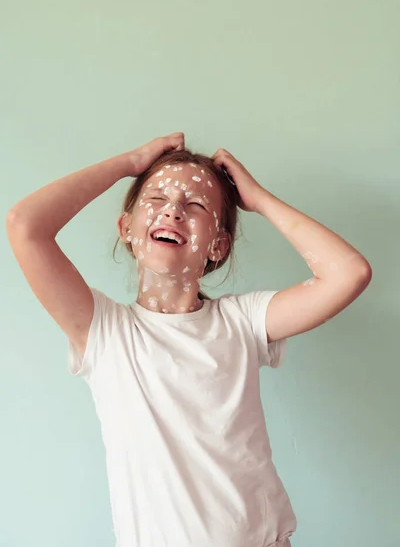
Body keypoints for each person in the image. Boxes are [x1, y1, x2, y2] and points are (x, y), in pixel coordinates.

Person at [6, 131, 372, 547]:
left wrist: (258, 200)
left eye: (195, 205)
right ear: (127, 227)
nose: (173, 211)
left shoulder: (242, 321)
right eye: (157, 199)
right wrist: (128, 164)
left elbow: (349, 273)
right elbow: (25, 226)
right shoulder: (106, 332)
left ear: (217, 245)